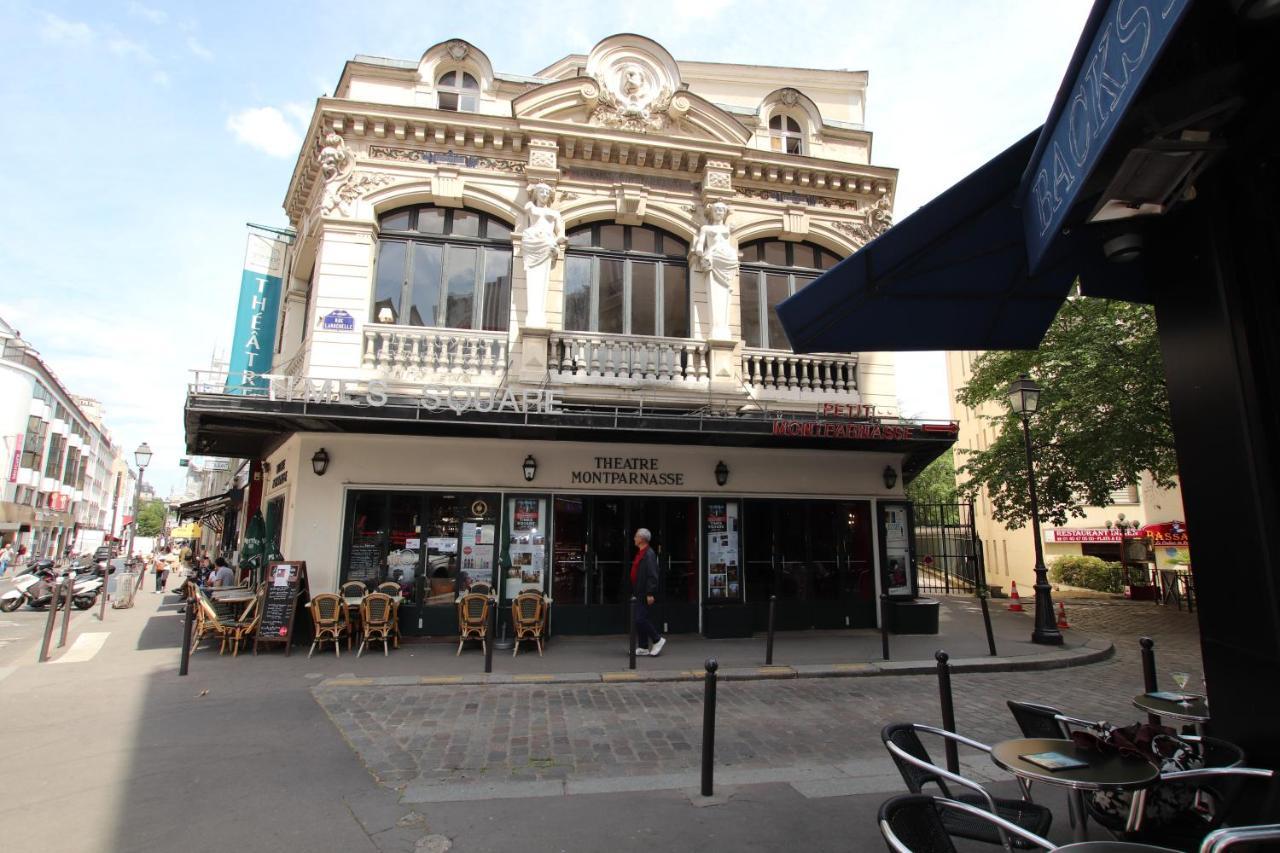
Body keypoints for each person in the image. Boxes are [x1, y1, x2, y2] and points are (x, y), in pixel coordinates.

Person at [630, 528, 665, 657]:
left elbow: (652, 575)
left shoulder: (649, 554)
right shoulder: (642, 553)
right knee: (638, 618)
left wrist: (650, 593)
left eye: (636, 536)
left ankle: (657, 639)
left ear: (642, 539)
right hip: (639, 591)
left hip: (645, 592)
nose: (634, 538)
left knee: (640, 619)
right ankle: (643, 647)